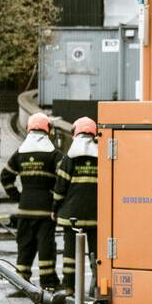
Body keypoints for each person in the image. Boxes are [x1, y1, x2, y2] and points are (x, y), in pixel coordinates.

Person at [2, 113, 62, 288]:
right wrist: (57, 200)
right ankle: (48, 281)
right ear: (48, 130)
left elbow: (5, 176)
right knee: (46, 245)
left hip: (25, 208)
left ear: (28, 129)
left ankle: (21, 281)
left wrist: (18, 197)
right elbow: (64, 179)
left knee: (25, 245)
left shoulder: (19, 153)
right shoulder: (53, 154)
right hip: (46, 209)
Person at [53, 116, 99, 291]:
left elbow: (60, 187)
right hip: (95, 216)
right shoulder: (101, 157)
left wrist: (55, 208)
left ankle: (69, 288)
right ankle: (96, 287)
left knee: (70, 255)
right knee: (96, 254)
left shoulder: (69, 158)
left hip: (71, 216)